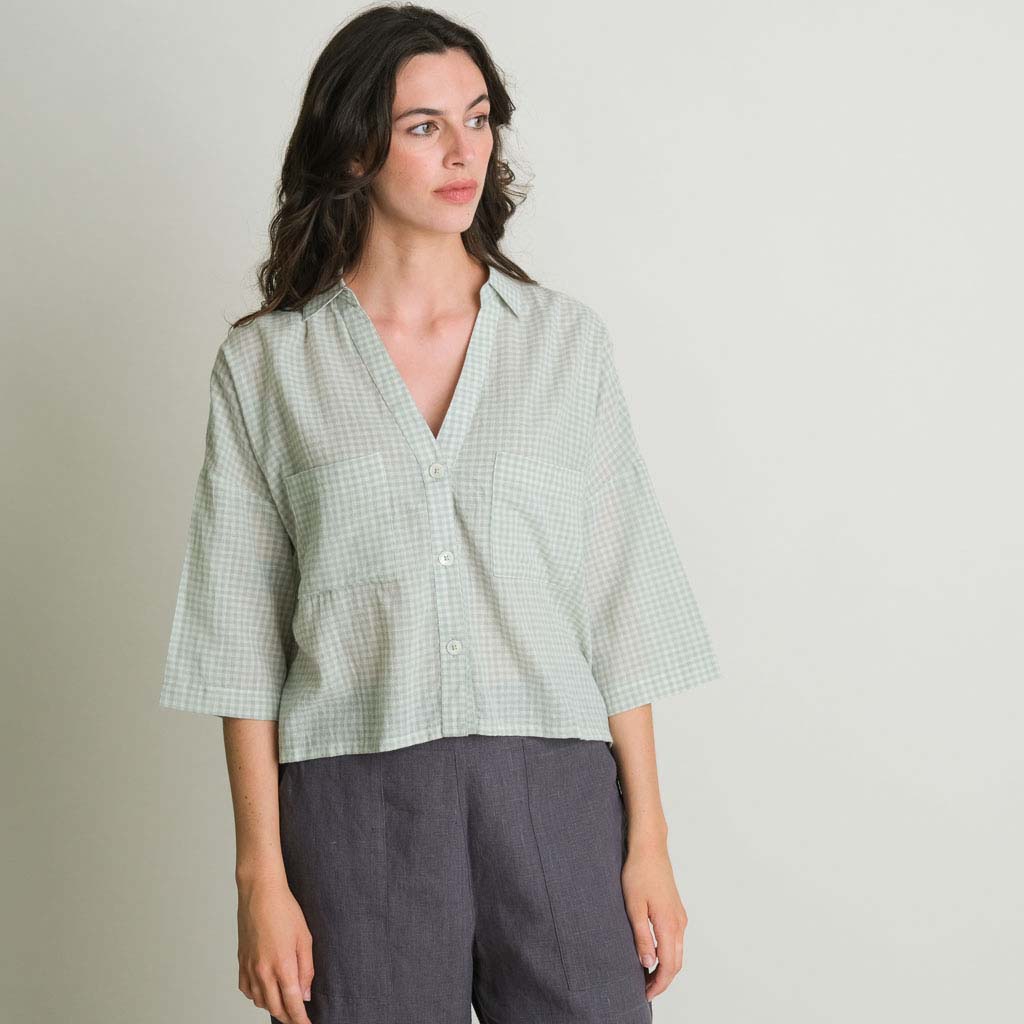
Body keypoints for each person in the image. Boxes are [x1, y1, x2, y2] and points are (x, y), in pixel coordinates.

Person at [158, 5, 721, 1023]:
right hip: (355, 801)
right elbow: (238, 642)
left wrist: (649, 843)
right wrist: (260, 878)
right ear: (355, 148)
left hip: (554, 791)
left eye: (478, 117)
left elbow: (620, 605)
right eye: (424, 126)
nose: (465, 152)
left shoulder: (565, 346)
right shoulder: (268, 367)